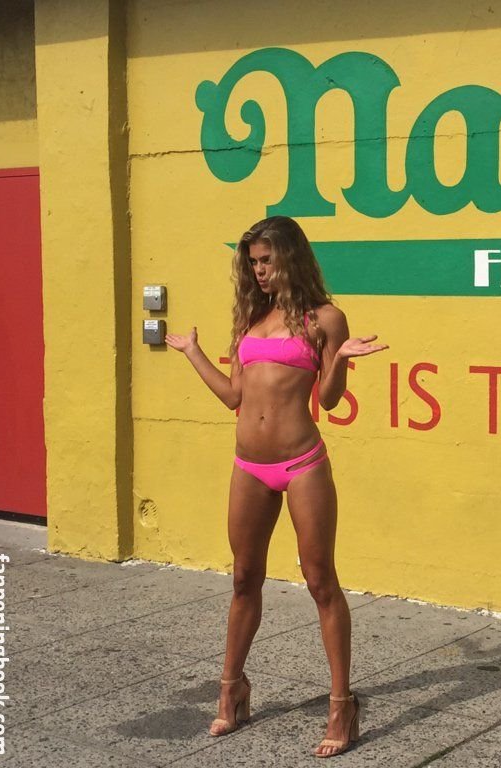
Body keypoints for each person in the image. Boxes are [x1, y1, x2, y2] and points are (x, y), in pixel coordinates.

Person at [165, 216, 387, 758]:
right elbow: (233, 397)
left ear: (290, 256)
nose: (259, 270)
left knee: (320, 581)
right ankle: (232, 689)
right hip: (249, 466)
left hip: (302, 463)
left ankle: (342, 705)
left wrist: (341, 359)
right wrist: (193, 352)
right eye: (253, 262)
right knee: (244, 577)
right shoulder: (252, 318)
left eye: (266, 260)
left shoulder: (324, 319)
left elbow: (328, 399)